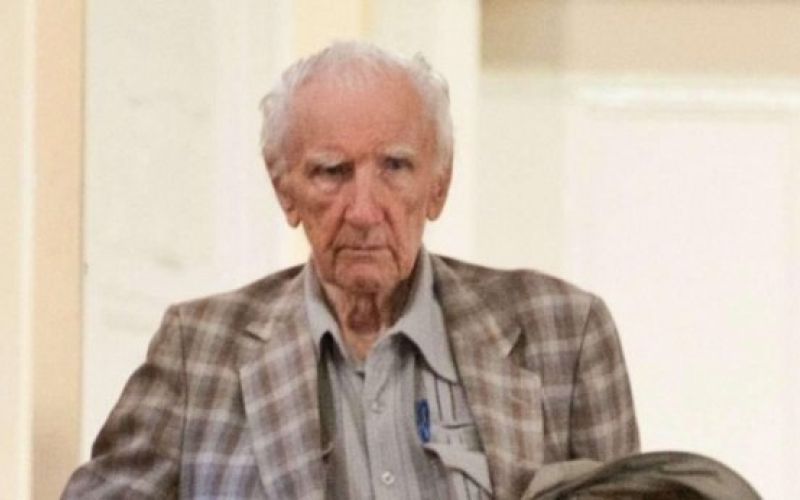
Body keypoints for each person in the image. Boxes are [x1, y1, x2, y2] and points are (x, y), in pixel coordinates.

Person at [62, 41, 638, 499]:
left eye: (395, 167)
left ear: (438, 186)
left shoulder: (564, 332)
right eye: (331, 172)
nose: (363, 210)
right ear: (285, 192)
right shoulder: (198, 350)